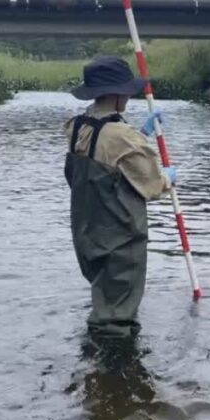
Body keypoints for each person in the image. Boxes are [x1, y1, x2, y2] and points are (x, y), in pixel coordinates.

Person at [64, 56, 176, 337]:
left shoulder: (76, 126)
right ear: (115, 95)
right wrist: (168, 179)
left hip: (87, 231)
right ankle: (112, 367)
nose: (129, 97)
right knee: (117, 318)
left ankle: (95, 367)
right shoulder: (124, 137)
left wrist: (141, 133)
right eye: (126, 92)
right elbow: (150, 187)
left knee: (104, 294)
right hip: (120, 237)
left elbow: (105, 149)